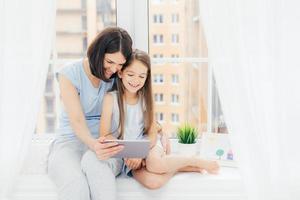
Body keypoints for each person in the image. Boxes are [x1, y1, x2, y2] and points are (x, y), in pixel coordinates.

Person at [85, 49, 220, 191]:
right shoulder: (110, 99)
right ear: (120, 73)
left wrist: (140, 153)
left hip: (149, 145)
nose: (136, 81)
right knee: (153, 182)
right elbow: (105, 135)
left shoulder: (146, 100)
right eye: (131, 74)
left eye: (142, 76)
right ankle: (177, 167)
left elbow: (152, 135)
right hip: (128, 154)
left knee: (154, 164)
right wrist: (130, 154)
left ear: (147, 77)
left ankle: (193, 160)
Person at [47, 27, 134, 200]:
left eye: (120, 64)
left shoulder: (118, 75)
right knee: (75, 186)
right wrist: (94, 145)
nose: (115, 69)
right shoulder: (69, 74)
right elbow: (77, 120)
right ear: (97, 53)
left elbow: (137, 102)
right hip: (70, 143)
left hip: (106, 141)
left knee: (97, 170)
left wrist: (157, 129)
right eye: (110, 62)